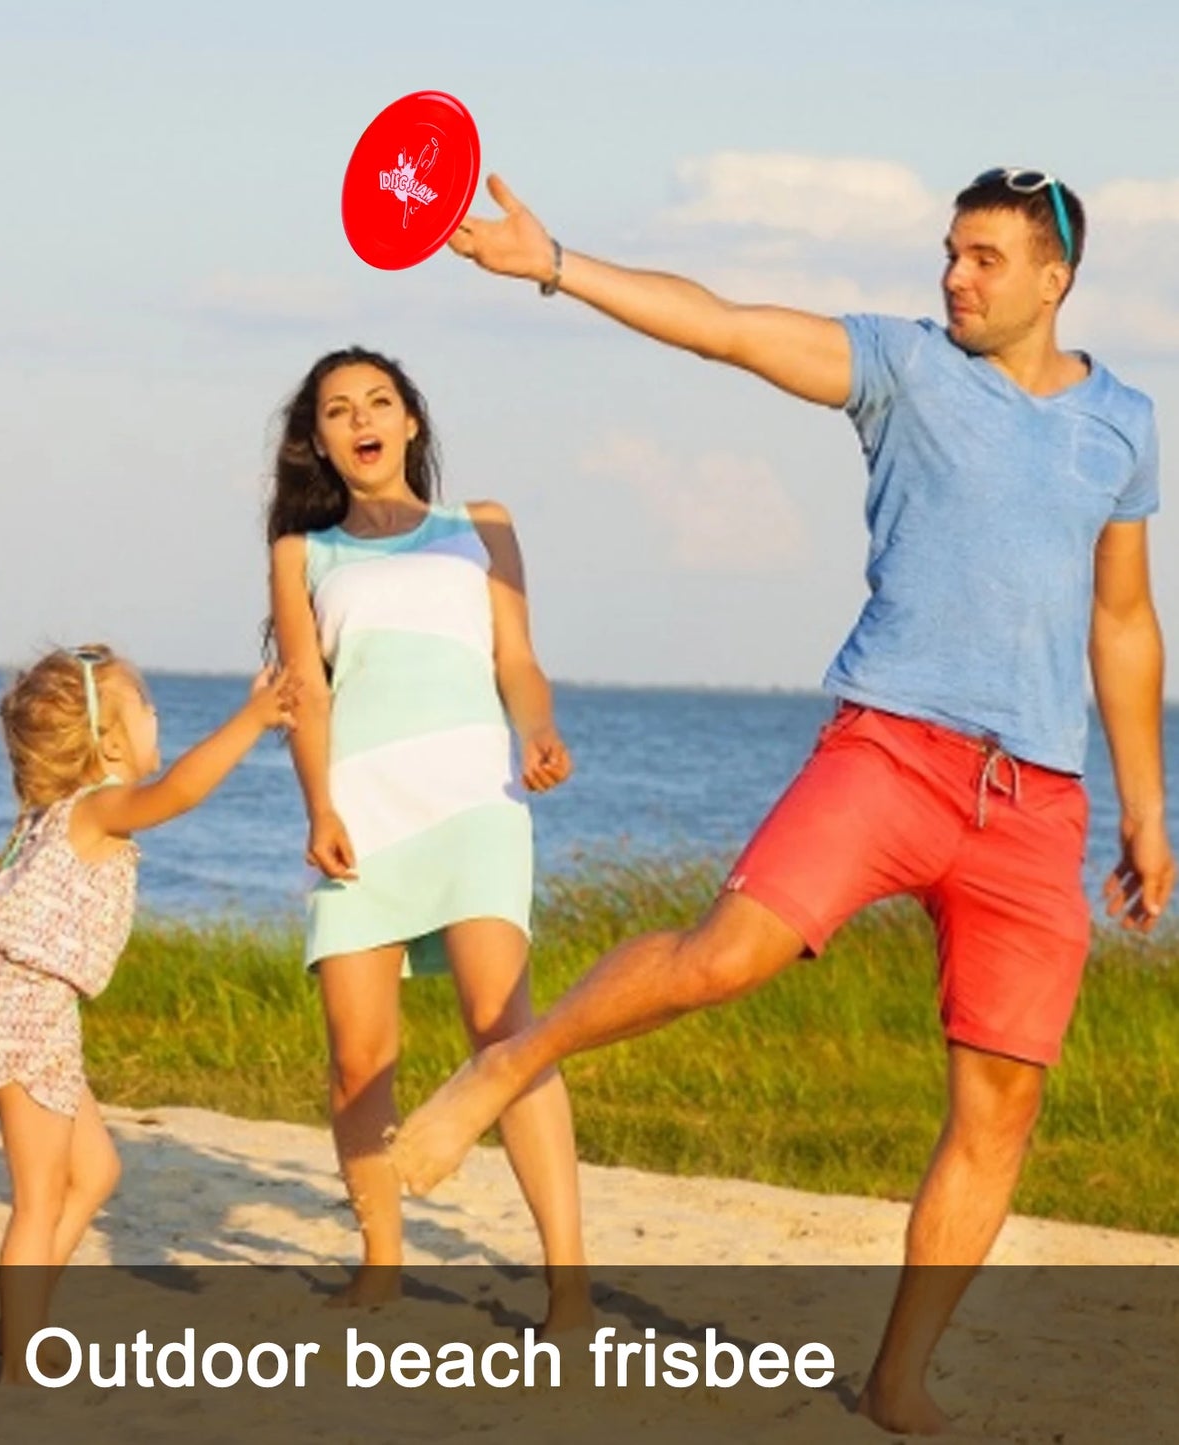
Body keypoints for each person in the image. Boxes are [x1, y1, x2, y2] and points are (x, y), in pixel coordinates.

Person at [390, 170, 1174, 1432]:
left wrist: (1144, 805)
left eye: (980, 258)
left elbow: (1123, 620)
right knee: (722, 953)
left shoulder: (1122, 424)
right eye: (948, 253)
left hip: (1037, 799)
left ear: (1051, 277)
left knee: (1000, 1104)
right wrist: (555, 264)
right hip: (890, 749)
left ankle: (898, 1374)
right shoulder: (903, 368)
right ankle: (509, 1063)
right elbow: (725, 324)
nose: (952, 277)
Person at [267, 347, 588, 1327]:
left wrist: (536, 728)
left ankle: (566, 1280)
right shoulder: (301, 551)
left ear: (409, 421)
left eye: (377, 401)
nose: (359, 419)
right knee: (357, 1056)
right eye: (336, 409)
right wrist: (318, 805)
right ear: (317, 438)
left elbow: (517, 660)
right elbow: (305, 693)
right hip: (363, 803)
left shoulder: (479, 525)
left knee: (506, 1030)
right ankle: (380, 1260)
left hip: (472, 797)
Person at [0, 644, 296, 1383]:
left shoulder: (58, 814)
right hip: (24, 1005)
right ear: (109, 741)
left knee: (96, 1172)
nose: (156, 714)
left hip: (30, 1005)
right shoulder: (100, 808)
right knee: (39, 1196)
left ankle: (20, 1317)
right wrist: (252, 717)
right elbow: (177, 792)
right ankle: (19, 1358)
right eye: (144, 705)